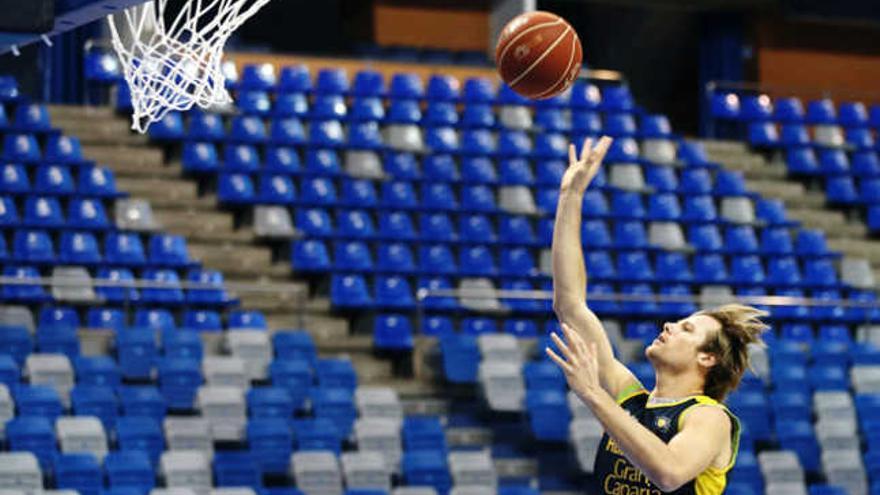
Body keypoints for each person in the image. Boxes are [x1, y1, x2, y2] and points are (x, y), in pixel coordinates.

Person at [546, 136, 768, 495]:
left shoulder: (708, 417)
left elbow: (669, 473)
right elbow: (570, 303)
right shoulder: (630, 397)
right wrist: (570, 197)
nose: (669, 325)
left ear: (707, 357)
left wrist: (593, 394)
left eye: (687, 328)